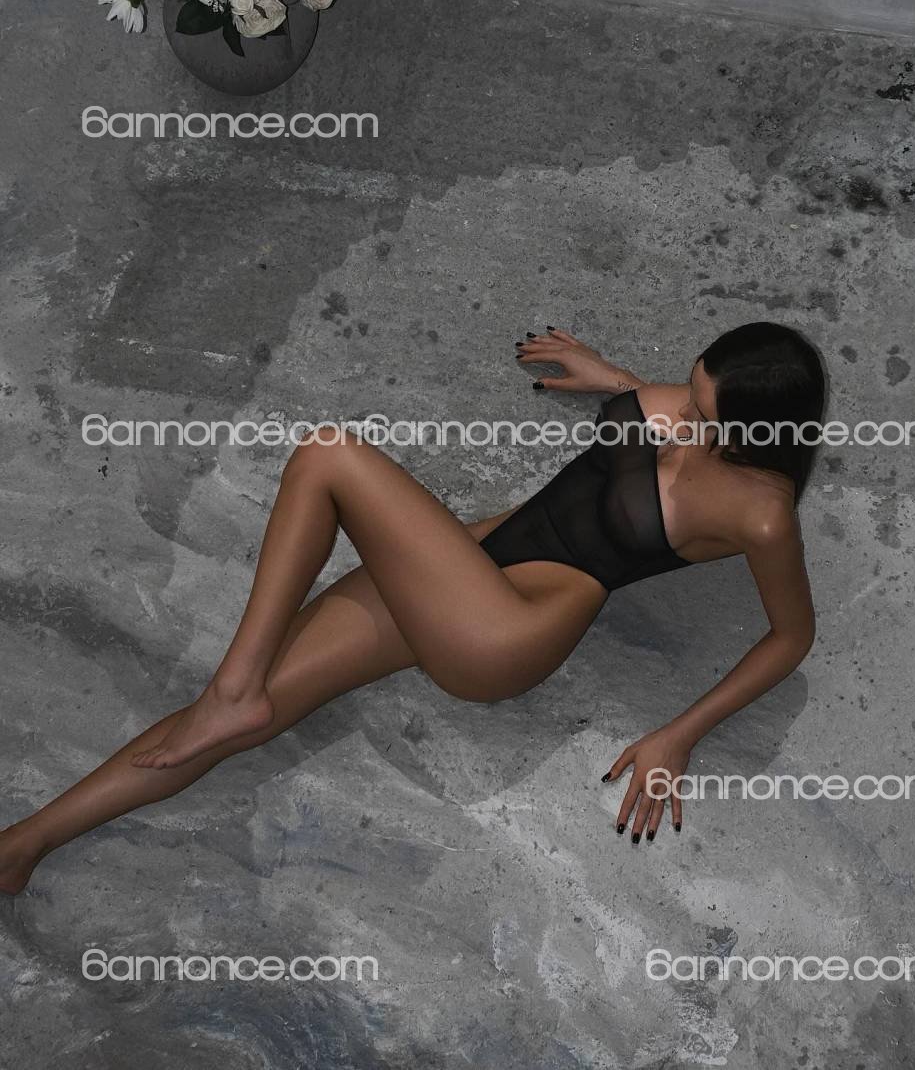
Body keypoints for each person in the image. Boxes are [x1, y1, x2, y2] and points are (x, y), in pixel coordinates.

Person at [0, 321, 823, 893]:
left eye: (705, 414)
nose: (682, 414)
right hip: (467, 564)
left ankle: (232, 686)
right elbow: (658, 412)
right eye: (691, 386)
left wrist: (679, 734)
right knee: (239, 716)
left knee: (328, 457)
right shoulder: (694, 408)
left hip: (507, 629)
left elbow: (791, 637)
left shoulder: (762, 514)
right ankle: (22, 846)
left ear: (755, 435)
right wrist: (611, 377)